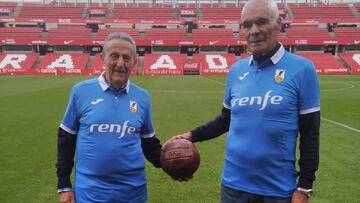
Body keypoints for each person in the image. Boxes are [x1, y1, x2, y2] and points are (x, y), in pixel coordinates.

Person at [168, 0, 320, 202]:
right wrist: (190, 136)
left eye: (262, 22)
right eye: (247, 25)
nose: (254, 31)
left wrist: (304, 188)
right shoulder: (236, 71)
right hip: (233, 187)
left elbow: (310, 134)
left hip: (277, 191)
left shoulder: (303, 70)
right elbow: (227, 119)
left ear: (279, 23)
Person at [56, 32, 162, 203]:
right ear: (102, 58)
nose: (120, 63)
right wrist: (64, 185)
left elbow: (149, 142)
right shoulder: (80, 92)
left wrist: (172, 164)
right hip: (90, 193)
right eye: (114, 56)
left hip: (133, 192)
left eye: (126, 58)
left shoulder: (143, 97)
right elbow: (66, 138)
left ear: (134, 62)